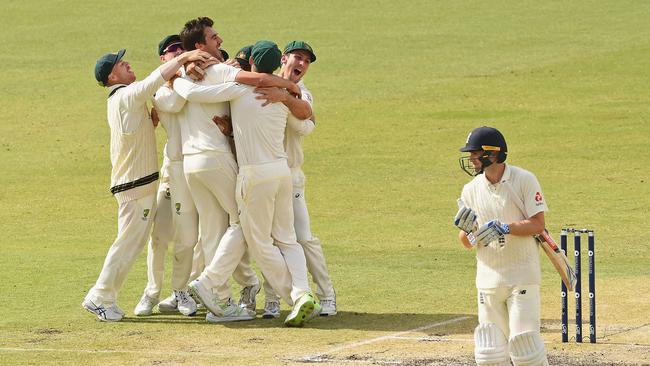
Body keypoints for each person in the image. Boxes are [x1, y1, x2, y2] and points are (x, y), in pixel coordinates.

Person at [177, 40, 320, 326]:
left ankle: (211, 281)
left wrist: (190, 67)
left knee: (260, 243)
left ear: (251, 62)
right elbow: (305, 113)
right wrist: (288, 90)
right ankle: (302, 292)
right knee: (287, 240)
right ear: (277, 63)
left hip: (253, 176)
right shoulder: (285, 94)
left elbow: (196, 92)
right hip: (281, 172)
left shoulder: (237, 90)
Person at [82, 47, 212, 322]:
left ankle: (105, 296)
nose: (127, 63)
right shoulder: (125, 96)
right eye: (121, 63)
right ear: (112, 75)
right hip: (134, 186)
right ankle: (99, 296)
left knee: (132, 243)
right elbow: (154, 79)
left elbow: (147, 124)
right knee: (127, 244)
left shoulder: (127, 100)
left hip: (138, 184)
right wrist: (183, 58)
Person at [454, 126, 549, 365]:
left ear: (492, 154)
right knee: (490, 354)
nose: (471, 159)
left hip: (522, 277)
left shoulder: (523, 180)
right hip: (488, 282)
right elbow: (466, 242)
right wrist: (469, 233)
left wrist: (505, 228)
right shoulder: (470, 190)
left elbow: (538, 225)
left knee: (526, 350)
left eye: (475, 154)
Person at [257, 41, 337, 319]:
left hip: (291, 179)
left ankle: (327, 295)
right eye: (298, 58)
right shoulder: (262, 86)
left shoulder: (303, 93)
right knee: (269, 241)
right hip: (263, 177)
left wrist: (286, 99)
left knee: (303, 238)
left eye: (307, 61)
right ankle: (271, 300)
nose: (302, 64)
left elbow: (303, 127)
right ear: (283, 59)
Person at [133, 35, 199, 317]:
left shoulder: (193, 81)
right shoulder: (160, 91)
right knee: (159, 236)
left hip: (194, 170)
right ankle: (151, 292)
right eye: (173, 51)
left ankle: (180, 291)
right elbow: (175, 103)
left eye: (182, 50)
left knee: (187, 237)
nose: (178, 53)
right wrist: (185, 72)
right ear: (163, 58)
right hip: (172, 169)